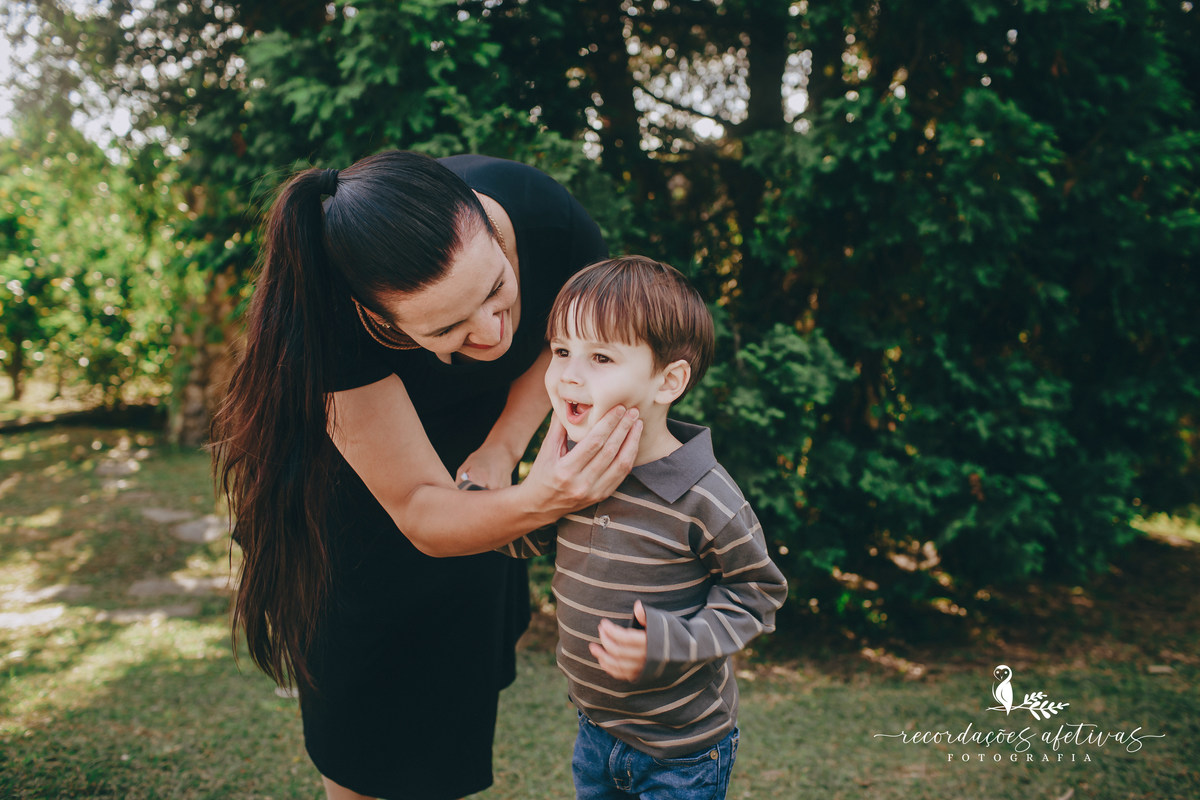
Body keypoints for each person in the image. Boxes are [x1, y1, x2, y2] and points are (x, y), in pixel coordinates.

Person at [211, 151, 643, 800]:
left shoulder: (550, 222)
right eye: (447, 328)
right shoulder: (330, 315)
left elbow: (568, 336)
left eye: (498, 288)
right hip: (354, 503)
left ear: (492, 231)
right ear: (379, 319)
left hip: (480, 481)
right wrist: (548, 496)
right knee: (363, 744)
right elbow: (417, 506)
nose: (495, 331)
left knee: (449, 724)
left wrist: (501, 450)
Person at [483, 256, 789, 800]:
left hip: (683, 749)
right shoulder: (573, 470)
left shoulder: (705, 495)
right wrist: (482, 503)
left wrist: (669, 641)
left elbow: (758, 593)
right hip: (596, 731)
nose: (570, 373)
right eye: (560, 351)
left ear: (668, 381)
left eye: (600, 356)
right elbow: (527, 533)